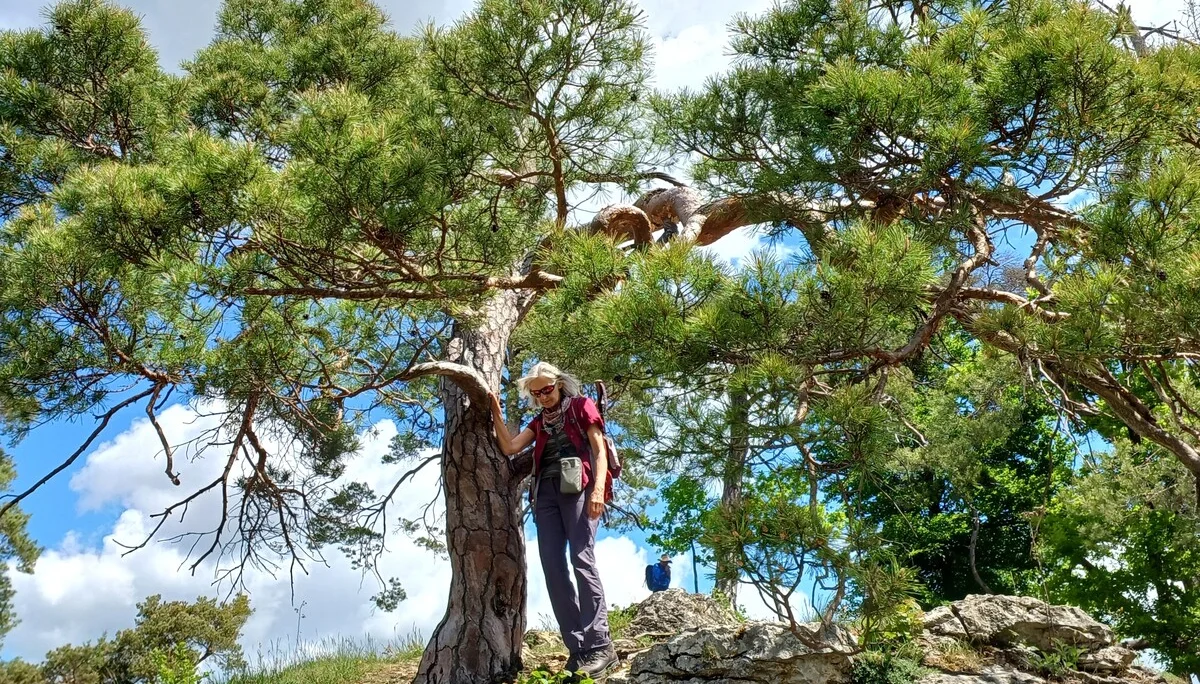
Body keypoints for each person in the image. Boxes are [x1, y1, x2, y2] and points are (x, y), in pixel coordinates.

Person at [488, 362, 618, 678]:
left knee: (581, 559)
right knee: (553, 568)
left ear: (559, 384)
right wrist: (494, 409)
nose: (543, 396)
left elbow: (599, 450)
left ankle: (601, 645)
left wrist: (598, 489)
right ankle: (578, 649)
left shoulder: (581, 406)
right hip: (545, 494)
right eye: (536, 393)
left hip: (579, 487)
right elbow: (510, 446)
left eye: (547, 389)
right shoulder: (538, 422)